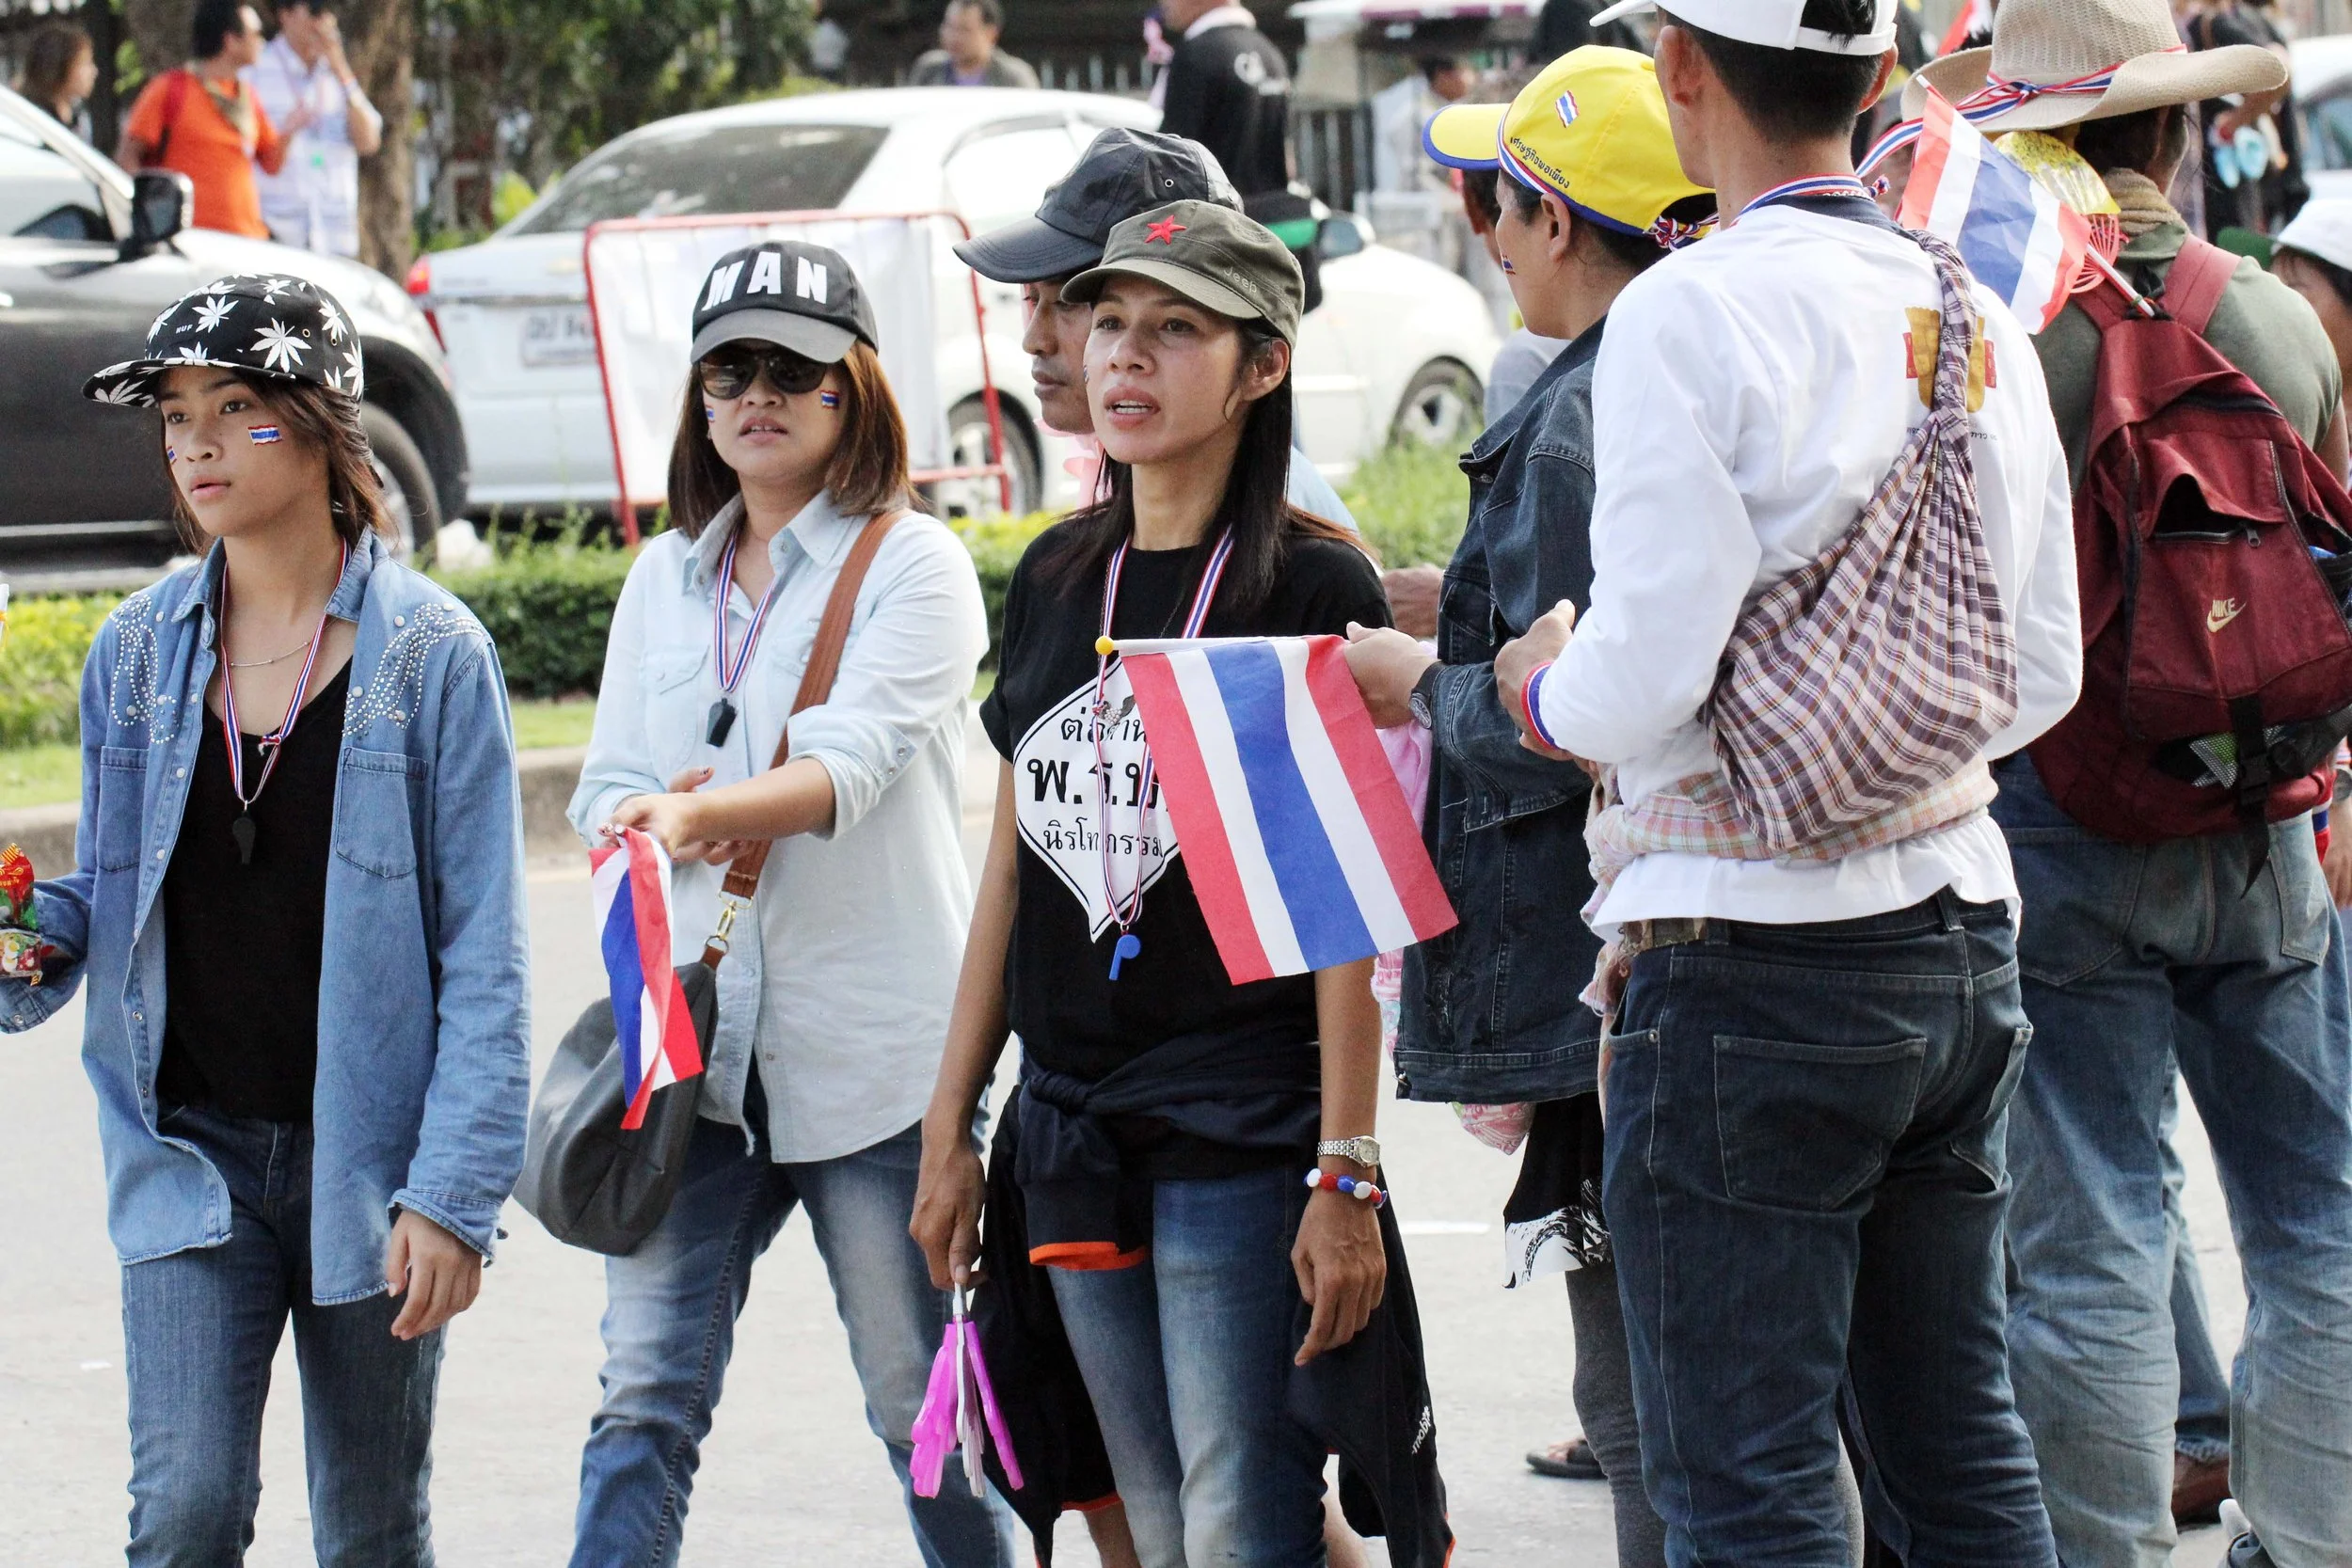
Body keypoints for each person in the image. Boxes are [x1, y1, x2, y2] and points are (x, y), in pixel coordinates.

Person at [1494, 0, 2083, 1559]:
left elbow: (1637, 683)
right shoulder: (1971, 308)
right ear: (1881, 76)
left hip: (1749, 967)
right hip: (1959, 934)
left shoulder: (1693, 314)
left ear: (1681, 71)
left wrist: (1530, 684)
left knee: (1745, 1490)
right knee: (1958, 1457)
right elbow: (2045, 674)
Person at [913, 200, 1437, 1566]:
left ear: (1262, 366)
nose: (1123, 359)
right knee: (1144, 1510)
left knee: (1240, 1515)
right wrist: (951, 1118)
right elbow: (1016, 869)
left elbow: (1342, 906)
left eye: (1176, 329)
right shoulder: (1054, 575)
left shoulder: (1309, 579)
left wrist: (1348, 1170)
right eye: (1108, 323)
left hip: (1242, 1131)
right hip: (1073, 1124)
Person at [1, 272, 531, 1564]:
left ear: (320, 420)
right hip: (195, 1153)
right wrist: (25, 930)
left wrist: (454, 1197)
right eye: (176, 414)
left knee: (368, 1529)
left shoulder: (433, 658)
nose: (195, 442)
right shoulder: (134, 653)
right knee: (181, 1515)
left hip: (373, 1165)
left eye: (235, 407)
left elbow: (487, 958)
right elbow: (118, 894)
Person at [1914, 3, 2352, 1561]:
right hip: (2266, 820)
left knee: (2091, 1228)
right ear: (2172, 129)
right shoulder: (2282, 321)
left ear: (2025, 141)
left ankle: (2100, 1548)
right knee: (2323, 1223)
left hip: (2061, 815)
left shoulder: (1995, 330)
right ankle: (2302, 1537)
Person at [564, 240, 1012, 1568]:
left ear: (854, 388)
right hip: (688, 1063)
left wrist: (699, 811)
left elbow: (851, 766)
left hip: (875, 1068)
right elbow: (607, 783)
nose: (758, 395)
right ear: (698, 399)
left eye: (796, 370)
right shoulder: (662, 579)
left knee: (916, 1408)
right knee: (641, 1399)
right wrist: (641, 815)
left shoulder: (916, 564)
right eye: (729, 371)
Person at [1347, 47, 1717, 1568]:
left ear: (1554, 218)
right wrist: (1447, 615)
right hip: (1616, 958)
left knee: (1636, 1388)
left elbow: (1578, 709)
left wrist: (1417, 682)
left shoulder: (1580, 416)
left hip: (1596, 972)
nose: (1483, 229)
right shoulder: (1632, 378)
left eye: (1497, 198)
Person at [117, 0, 303, 241]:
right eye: (255, 34)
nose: (261, 42)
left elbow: (271, 164)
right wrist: (156, 213)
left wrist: (290, 130)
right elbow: (127, 158)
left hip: (247, 240)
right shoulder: (170, 89)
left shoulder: (247, 96)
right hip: (189, 242)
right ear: (230, 41)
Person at [244, 0, 383, 258]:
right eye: (316, 9)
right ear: (285, 14)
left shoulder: (337, 75)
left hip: (334, 239)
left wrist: (340, 68)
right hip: (277, 235)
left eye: (330, 11)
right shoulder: (255, 69)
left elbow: (369, 141)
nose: (324, 21)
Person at [910, 0, 1041, 88]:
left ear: (991, 34)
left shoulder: (1014, 78)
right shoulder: (928, 70)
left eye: (964, 30)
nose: (954, 37)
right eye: (949, 27)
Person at [14, 21, 98, 139]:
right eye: (84, 63)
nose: (93, 72)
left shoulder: (76, 117)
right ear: (61, 67)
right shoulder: (34, 122)